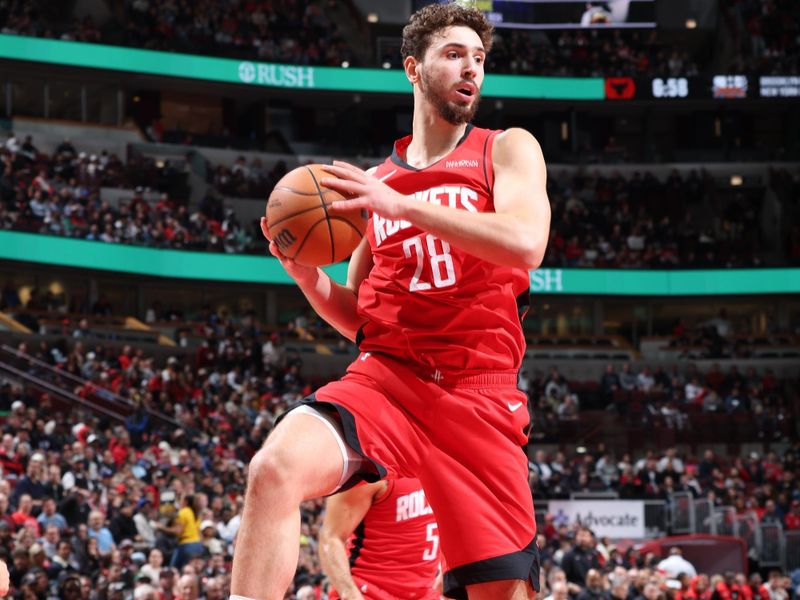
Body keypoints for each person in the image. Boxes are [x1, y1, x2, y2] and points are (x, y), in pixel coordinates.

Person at [231, 3, 550, 599]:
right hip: (387, 381)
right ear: (413, 67)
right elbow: (359, 316)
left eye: (479, 59)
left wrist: (399, 205)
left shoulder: (503, 149)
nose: (471, 69)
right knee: (272, 470)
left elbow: (527, 242)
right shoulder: (376, 184)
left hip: (477, 396)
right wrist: (302, 273)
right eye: (454, 54)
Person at [319, 478, 440, 599]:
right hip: (368, 592)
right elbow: (331, 537)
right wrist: (350, 594)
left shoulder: (439, 466)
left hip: (424, 593)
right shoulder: (370, 471)